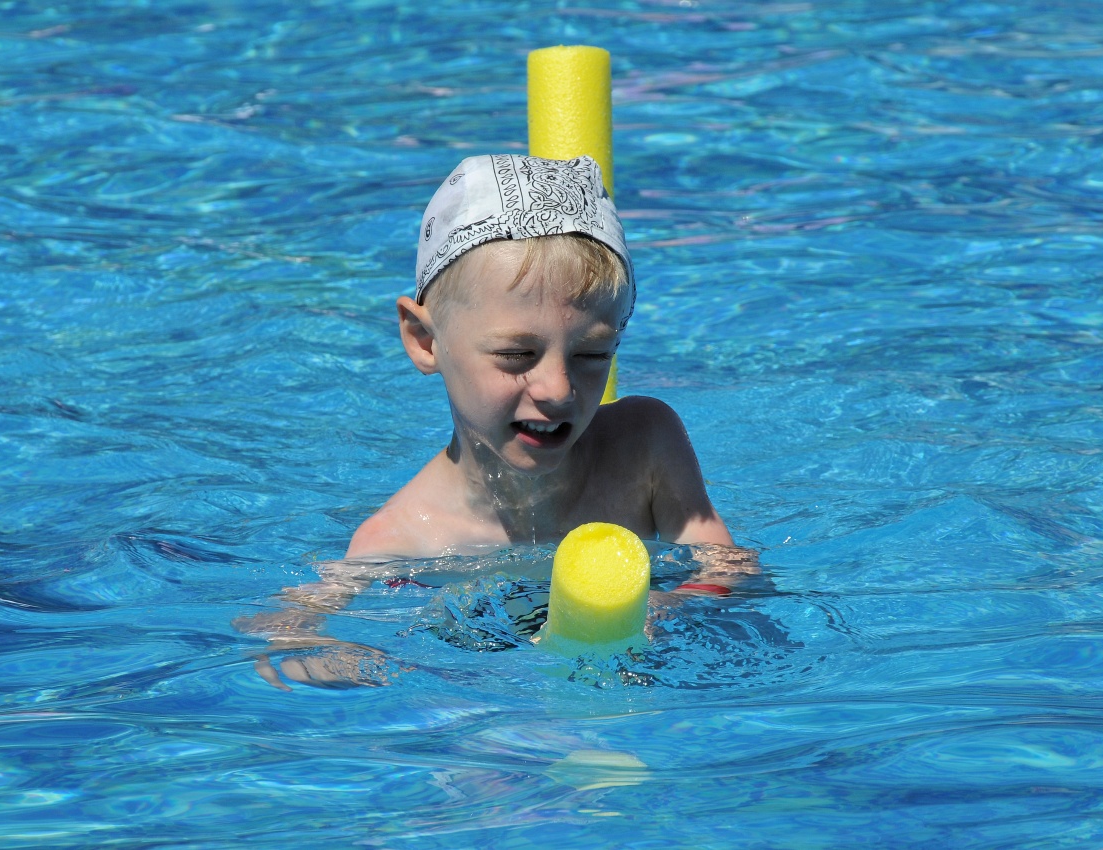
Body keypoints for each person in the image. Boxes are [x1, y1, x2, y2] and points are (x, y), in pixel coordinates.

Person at [236, 154, 755, 688]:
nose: (558, 389)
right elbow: (289, 629)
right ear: (425, 341)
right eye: (516, 355)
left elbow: (730, 565)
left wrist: (676, 606)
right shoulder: (403, 537)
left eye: (592, 355)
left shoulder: (645, 445)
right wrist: (326, 654)